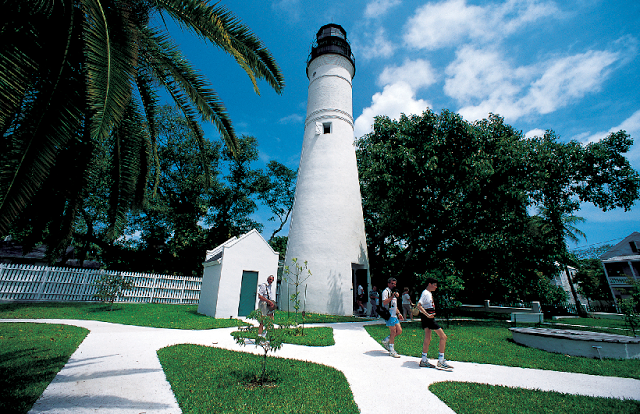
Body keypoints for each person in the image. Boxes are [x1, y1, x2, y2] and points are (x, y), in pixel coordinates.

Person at [416, 277, 453, 370]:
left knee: (428, 338)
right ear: (429, 284)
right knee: (443, 337)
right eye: (435, 285)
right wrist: (428, 315)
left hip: (427, 318)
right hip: (428, 319)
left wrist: (429, 313)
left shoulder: (428, 293)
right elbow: (418, 305)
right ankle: (441, 361)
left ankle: (424, 360)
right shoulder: (426, 293)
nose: (436, 287)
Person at [381, 277, 403, 357]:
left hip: (394, 315)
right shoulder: (385, 292)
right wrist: (392, 296)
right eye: (392, 283)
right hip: (389, 315)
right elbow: (384, 302)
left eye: (395, 284)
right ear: (388, 284)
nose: (394, 285)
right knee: (393, 332)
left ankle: (386, 340)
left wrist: (399, 313)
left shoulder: (393, 292)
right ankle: (392, 350)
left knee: (399, 331)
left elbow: (394, 306)